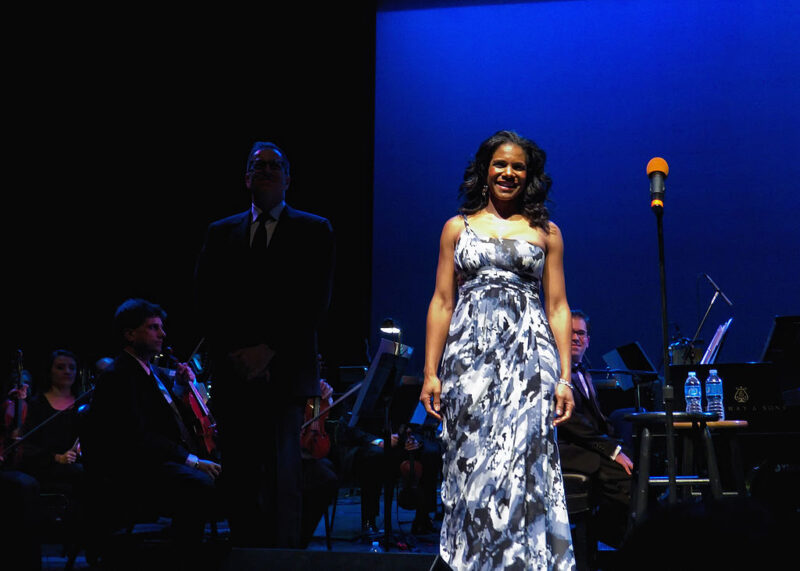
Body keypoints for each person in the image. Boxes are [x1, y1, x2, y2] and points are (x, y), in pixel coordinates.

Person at [420, 130, 576, 570]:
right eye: (500, 164)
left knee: (523, 470)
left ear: (530, 176)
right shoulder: (457, 227)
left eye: (518, 167)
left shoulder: (547, 233)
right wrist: (431, 372)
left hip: (528, 364)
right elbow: (442, 301)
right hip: (468, 363)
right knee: (470, 468)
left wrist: (564, 378)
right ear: (485, 171)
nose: (509, 173)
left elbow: (559, 306)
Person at [194, 140, 335, 548]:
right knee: (238, 474)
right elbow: (206, 300)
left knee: (282, 475)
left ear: (288, 178)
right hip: (233, 370)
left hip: (285, 371)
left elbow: (314, 300)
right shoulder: (220, 232)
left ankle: (283, 558)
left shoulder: (314, 229)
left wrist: (269, 349)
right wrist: (237, 354)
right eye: (259, 165)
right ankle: (243, 555)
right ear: (246, 178)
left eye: (276, 166)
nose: (267, 170)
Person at [82, 298, 222, 567]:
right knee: (198, 485)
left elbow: (170, 412)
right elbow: (139, 436)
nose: (163, 334)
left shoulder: (152, 371)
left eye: (162, 327)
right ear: (130, 334)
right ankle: (184, 558)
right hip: (135, 471)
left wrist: (183, 385)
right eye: (153, 328)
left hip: (162, 460)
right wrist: (193, 461)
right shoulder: (119, 376)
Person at [556, 310, 633, 549]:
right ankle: (628, 540)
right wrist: (612, 450)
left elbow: (597, 419)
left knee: (633, 454)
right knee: (625, 477)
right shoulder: (555, 373)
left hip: (588, 445)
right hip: (569, 449)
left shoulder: (585, 372)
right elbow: (574, 424)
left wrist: (618, 445)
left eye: (581, 333)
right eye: (570, 333)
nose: (576, 338)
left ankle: (627, 535)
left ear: (588, 340)